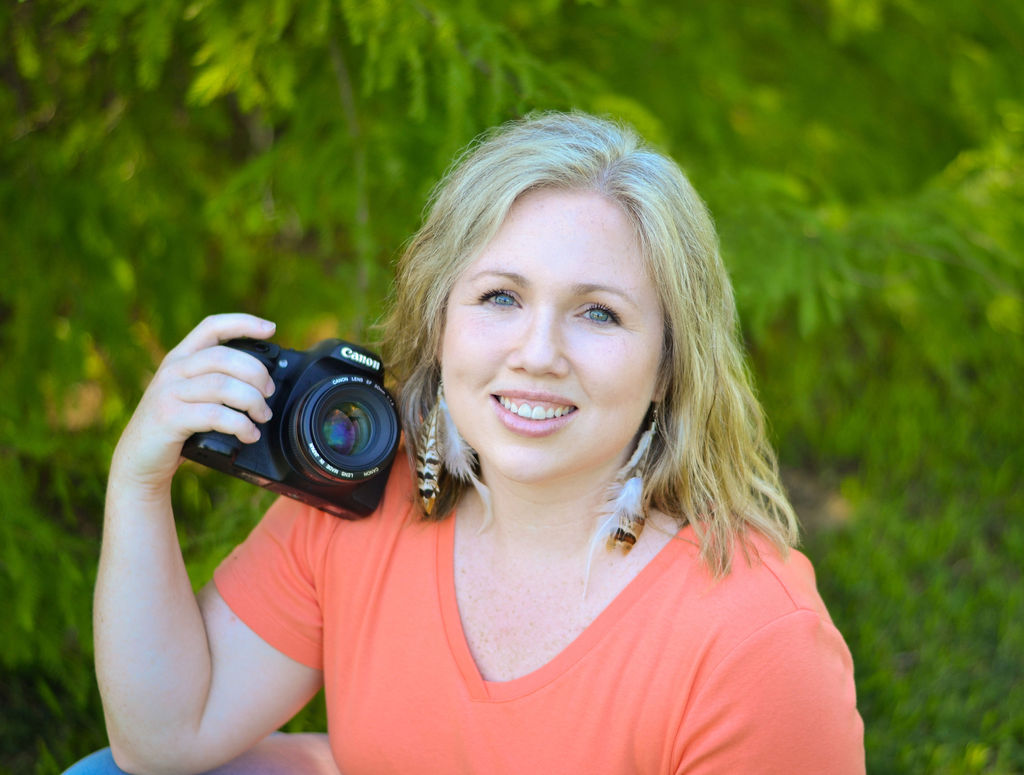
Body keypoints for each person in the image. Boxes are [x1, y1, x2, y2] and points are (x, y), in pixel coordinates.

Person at [68, 111, 864, 774]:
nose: (538, 352)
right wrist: (137, 481)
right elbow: (165, 736)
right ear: (440, 320)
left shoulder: (755, 642)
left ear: (668, 364)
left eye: (598, 313)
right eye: (500, 296)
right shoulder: (365, 492)